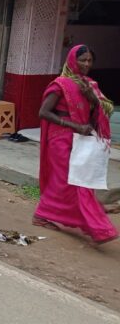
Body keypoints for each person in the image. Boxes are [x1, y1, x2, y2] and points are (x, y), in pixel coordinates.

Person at [34, 44, 117, 245]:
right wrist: (73, 125)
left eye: (90, 60)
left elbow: (107, 109)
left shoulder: (90, 85)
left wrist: (92, 99)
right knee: (67, 181)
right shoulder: (60, 84)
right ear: (73, 60)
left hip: (80, 140)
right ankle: (94, 226)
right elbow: (44, 112)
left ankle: (47, 213)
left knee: (80, 181)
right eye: (83, 60)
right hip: (60, 137)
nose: (87, 64)